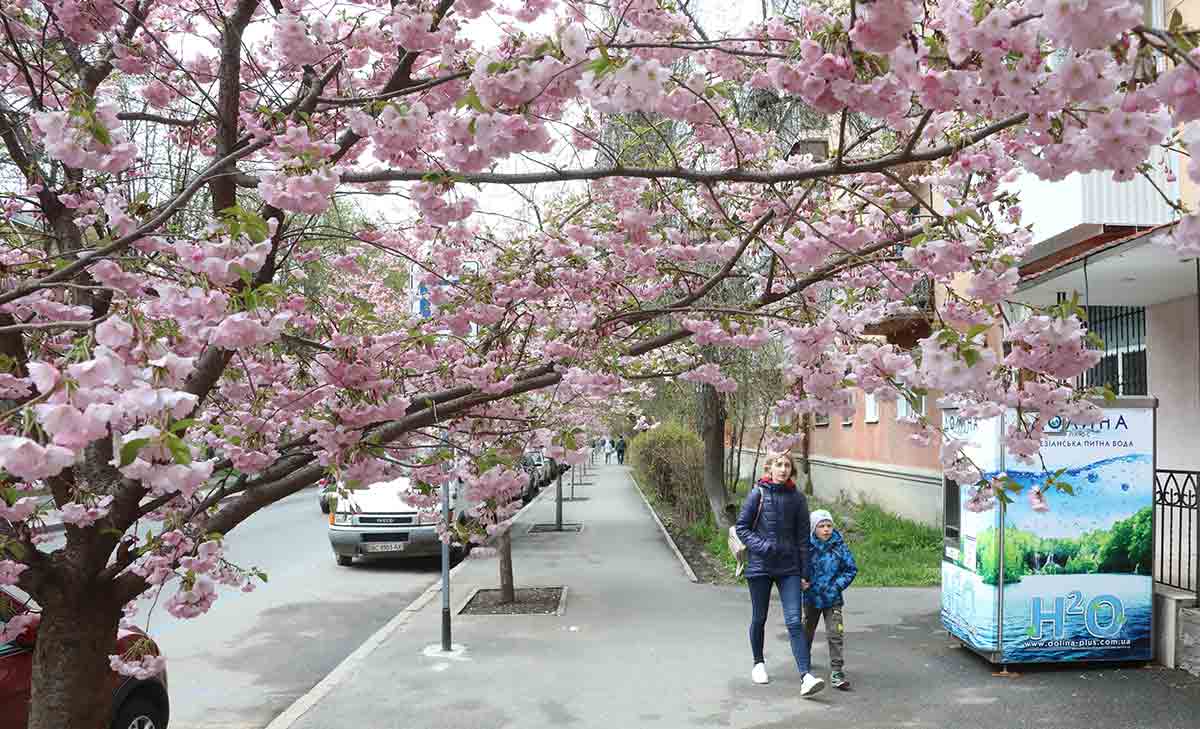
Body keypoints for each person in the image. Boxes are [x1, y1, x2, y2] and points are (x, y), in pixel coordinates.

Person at [734, 452, 824, 698]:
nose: (783, 469)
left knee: (795, 621)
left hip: (789, 569)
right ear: (769, 468)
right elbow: (741, 527)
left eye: (787, 465)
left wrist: (805, 572)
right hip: (760, 567)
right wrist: (763, 547)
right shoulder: (757, 494)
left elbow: (803, 539)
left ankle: (806, 676)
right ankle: (758, 663)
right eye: (779, 464)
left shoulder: (798, 499)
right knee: (759, 617)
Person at [804, 509, 858, 691]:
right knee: (806, 631)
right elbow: (797, 567)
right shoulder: (806, 547)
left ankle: (836, 670)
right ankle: (804, 662)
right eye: (821, 526)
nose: (826, 529)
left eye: (829, 525)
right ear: (814, 529)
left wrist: (836, 586)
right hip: (811, 597)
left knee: (835, 634)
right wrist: (801, 581)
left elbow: (851, 569)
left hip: (833, 598)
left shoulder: (839, 546)